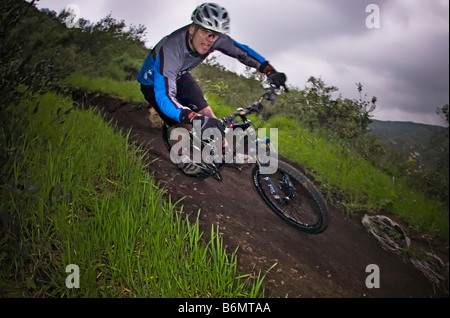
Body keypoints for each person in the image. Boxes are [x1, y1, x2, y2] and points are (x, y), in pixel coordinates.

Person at [137, 2, 287, 175]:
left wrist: (268, 70)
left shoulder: (214, 38)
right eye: (206, 33)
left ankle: (221, 151)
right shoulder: (171, 50)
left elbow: (242, 52)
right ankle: (182, 159)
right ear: (193, 28)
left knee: (207, 112)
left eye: (215, 35)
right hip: (154, 82)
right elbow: (164, 96)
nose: (210, 40)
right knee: (181, 125)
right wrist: (191, 117)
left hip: (180, 74)